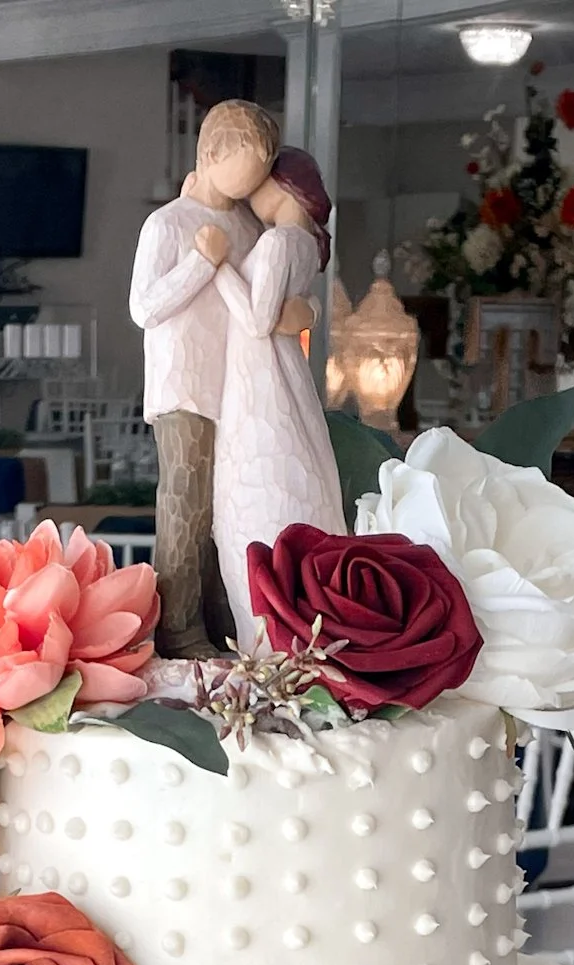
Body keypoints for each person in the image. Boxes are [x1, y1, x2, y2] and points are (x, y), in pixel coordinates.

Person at [130, 101, 309, 659]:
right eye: (242, 172)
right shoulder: (167, 224)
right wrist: (200, 264)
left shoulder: (248, 224)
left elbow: (269, 292)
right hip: (184, 386)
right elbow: (143, 306)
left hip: (238, 389)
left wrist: (306, 312)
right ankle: (179, 631)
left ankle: (222, 620)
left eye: (259, 176)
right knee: (185, 505)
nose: (249, 187)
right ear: (210, 156)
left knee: (225, 511)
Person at [198, 147, 346, 650]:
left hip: (258, 375)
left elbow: (258, 320)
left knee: (256, 487)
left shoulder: (281, 239)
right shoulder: (301, 244)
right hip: (279, 374)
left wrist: (218, 267)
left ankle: (264, 637)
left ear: (284, 186)